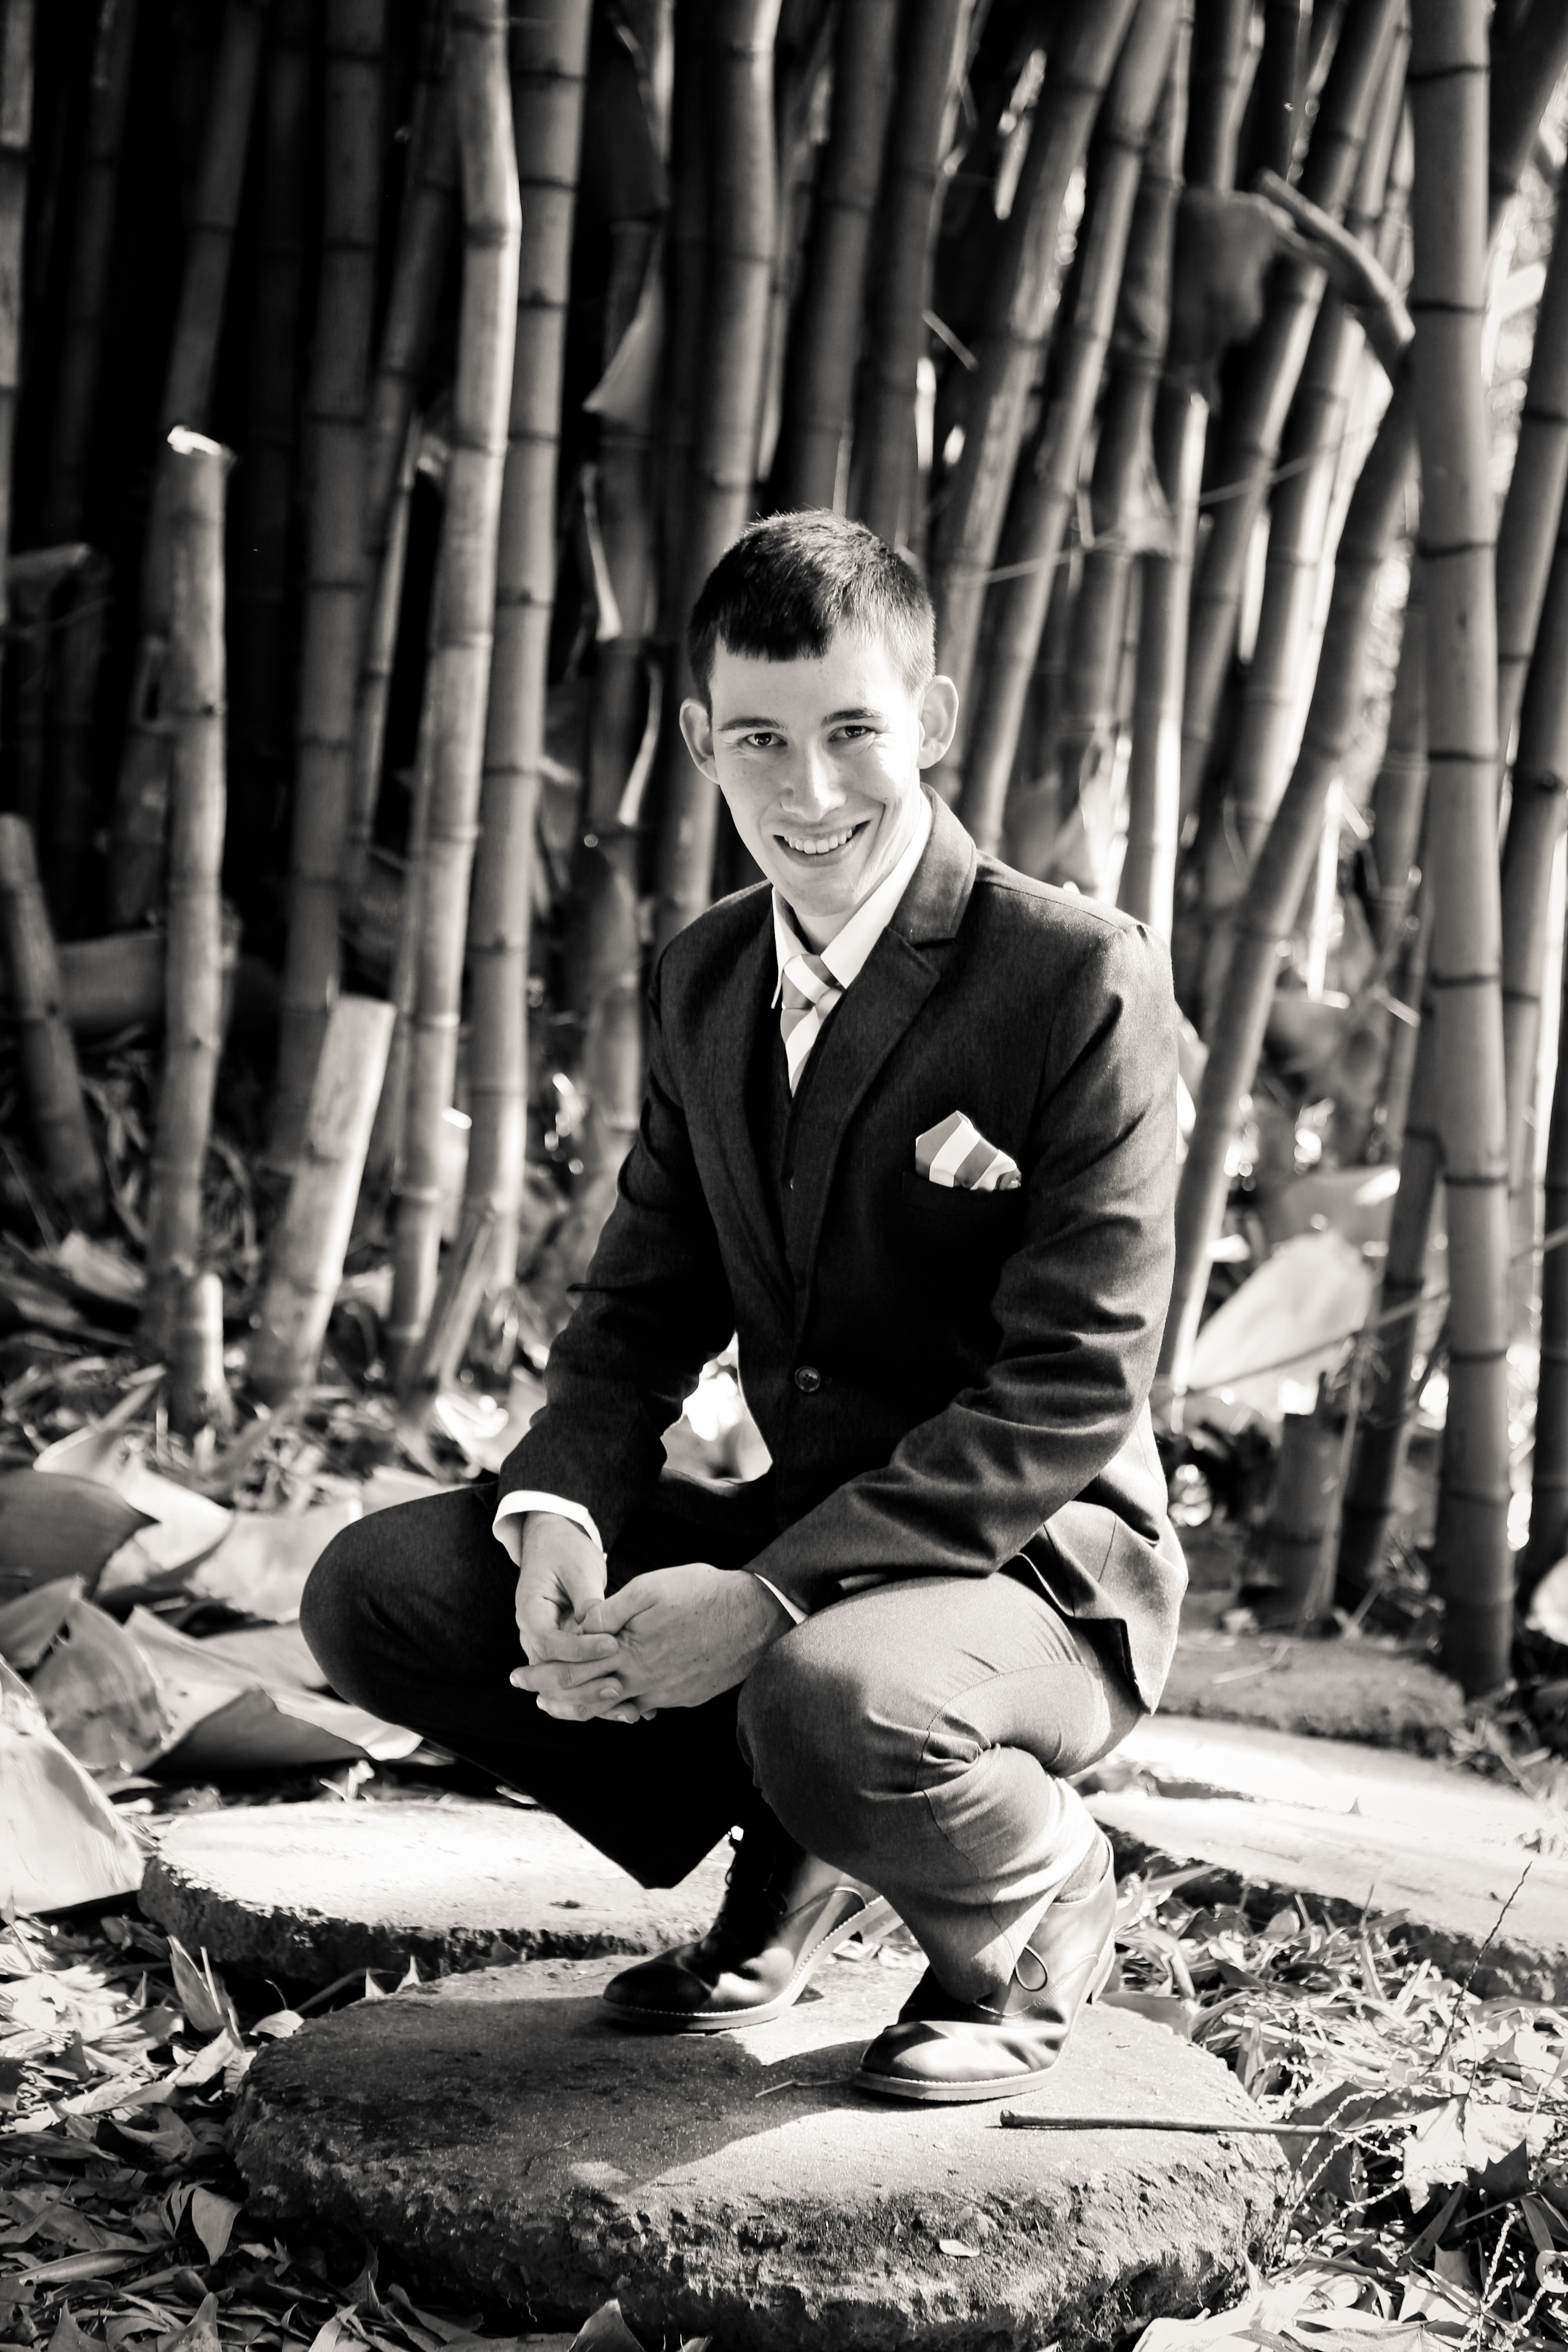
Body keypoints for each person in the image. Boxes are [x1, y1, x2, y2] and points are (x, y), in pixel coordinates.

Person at [303, 509, 1184, 2103]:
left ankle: (1031, 1897)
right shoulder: (704, 977)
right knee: (389, 1592)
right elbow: (643, 1304)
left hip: (1039, 1570)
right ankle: (794, 1844)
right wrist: (562, 1511)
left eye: (853, 732)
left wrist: (767, 1598)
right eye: (762, 741)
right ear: (703, 742)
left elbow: (1072, 1381)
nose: (811, 790)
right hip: (804, 1529)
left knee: (825, 1695)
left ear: (931, 720)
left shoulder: (1073, 975)